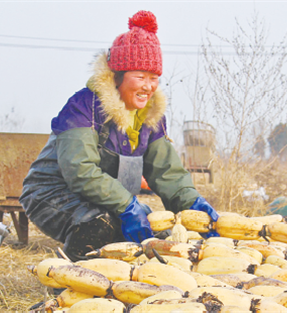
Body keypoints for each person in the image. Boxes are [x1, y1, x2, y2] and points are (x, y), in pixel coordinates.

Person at [19, 10, 219, 262]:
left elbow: (167, 173)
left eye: (154, 78)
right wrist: (127, 205)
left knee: (161, 236)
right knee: (99, 225)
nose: (148, 86)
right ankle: (68, 282)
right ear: (117, 76)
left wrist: (193, 203)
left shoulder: (150, 117)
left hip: (104, 198)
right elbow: (79, 171)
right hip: (51, 194)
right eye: (140, 76)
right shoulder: (84, 106)